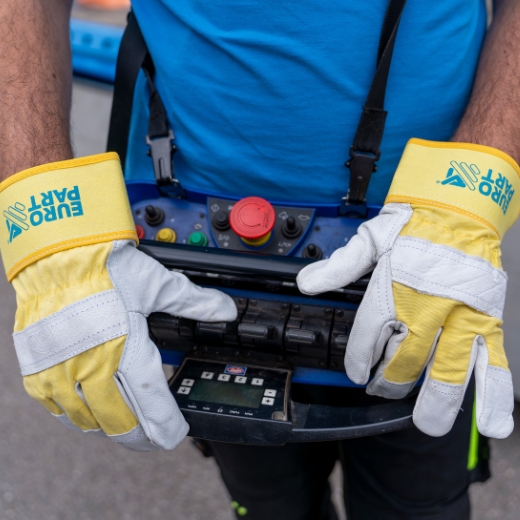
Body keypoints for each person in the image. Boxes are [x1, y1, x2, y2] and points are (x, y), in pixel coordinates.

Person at [0, 0, 519, 518]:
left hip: (431, 259)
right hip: (191, 265)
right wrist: (51, 238)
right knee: (268, 502)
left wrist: (468, 200)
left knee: (419, 501)